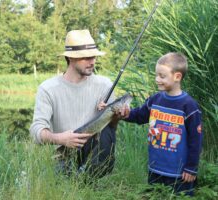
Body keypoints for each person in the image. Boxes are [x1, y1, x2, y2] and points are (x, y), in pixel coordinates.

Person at [29, 29, 123, 178]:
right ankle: (79, 179)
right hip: (63, 157)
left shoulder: (105, 85)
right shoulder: (47, 89)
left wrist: (116, 116)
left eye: (93, 57)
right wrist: (61, 139)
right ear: (70, 58)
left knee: (105, 132)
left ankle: (92, 179)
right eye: (86, 57)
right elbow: (36, 132)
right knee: (61, 177)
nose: (92, 62)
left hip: (95, 153)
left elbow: (111, 129)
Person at [123, 52, 203, 196]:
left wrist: (191, 168)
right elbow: (139, 116)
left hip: (180, 174)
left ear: (177, 76)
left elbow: (195, 141)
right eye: (156, 75)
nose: (157, 79)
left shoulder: (189, 106)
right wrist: (122, 113)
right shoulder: (155, 99)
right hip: (156, 168)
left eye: (162, 76)